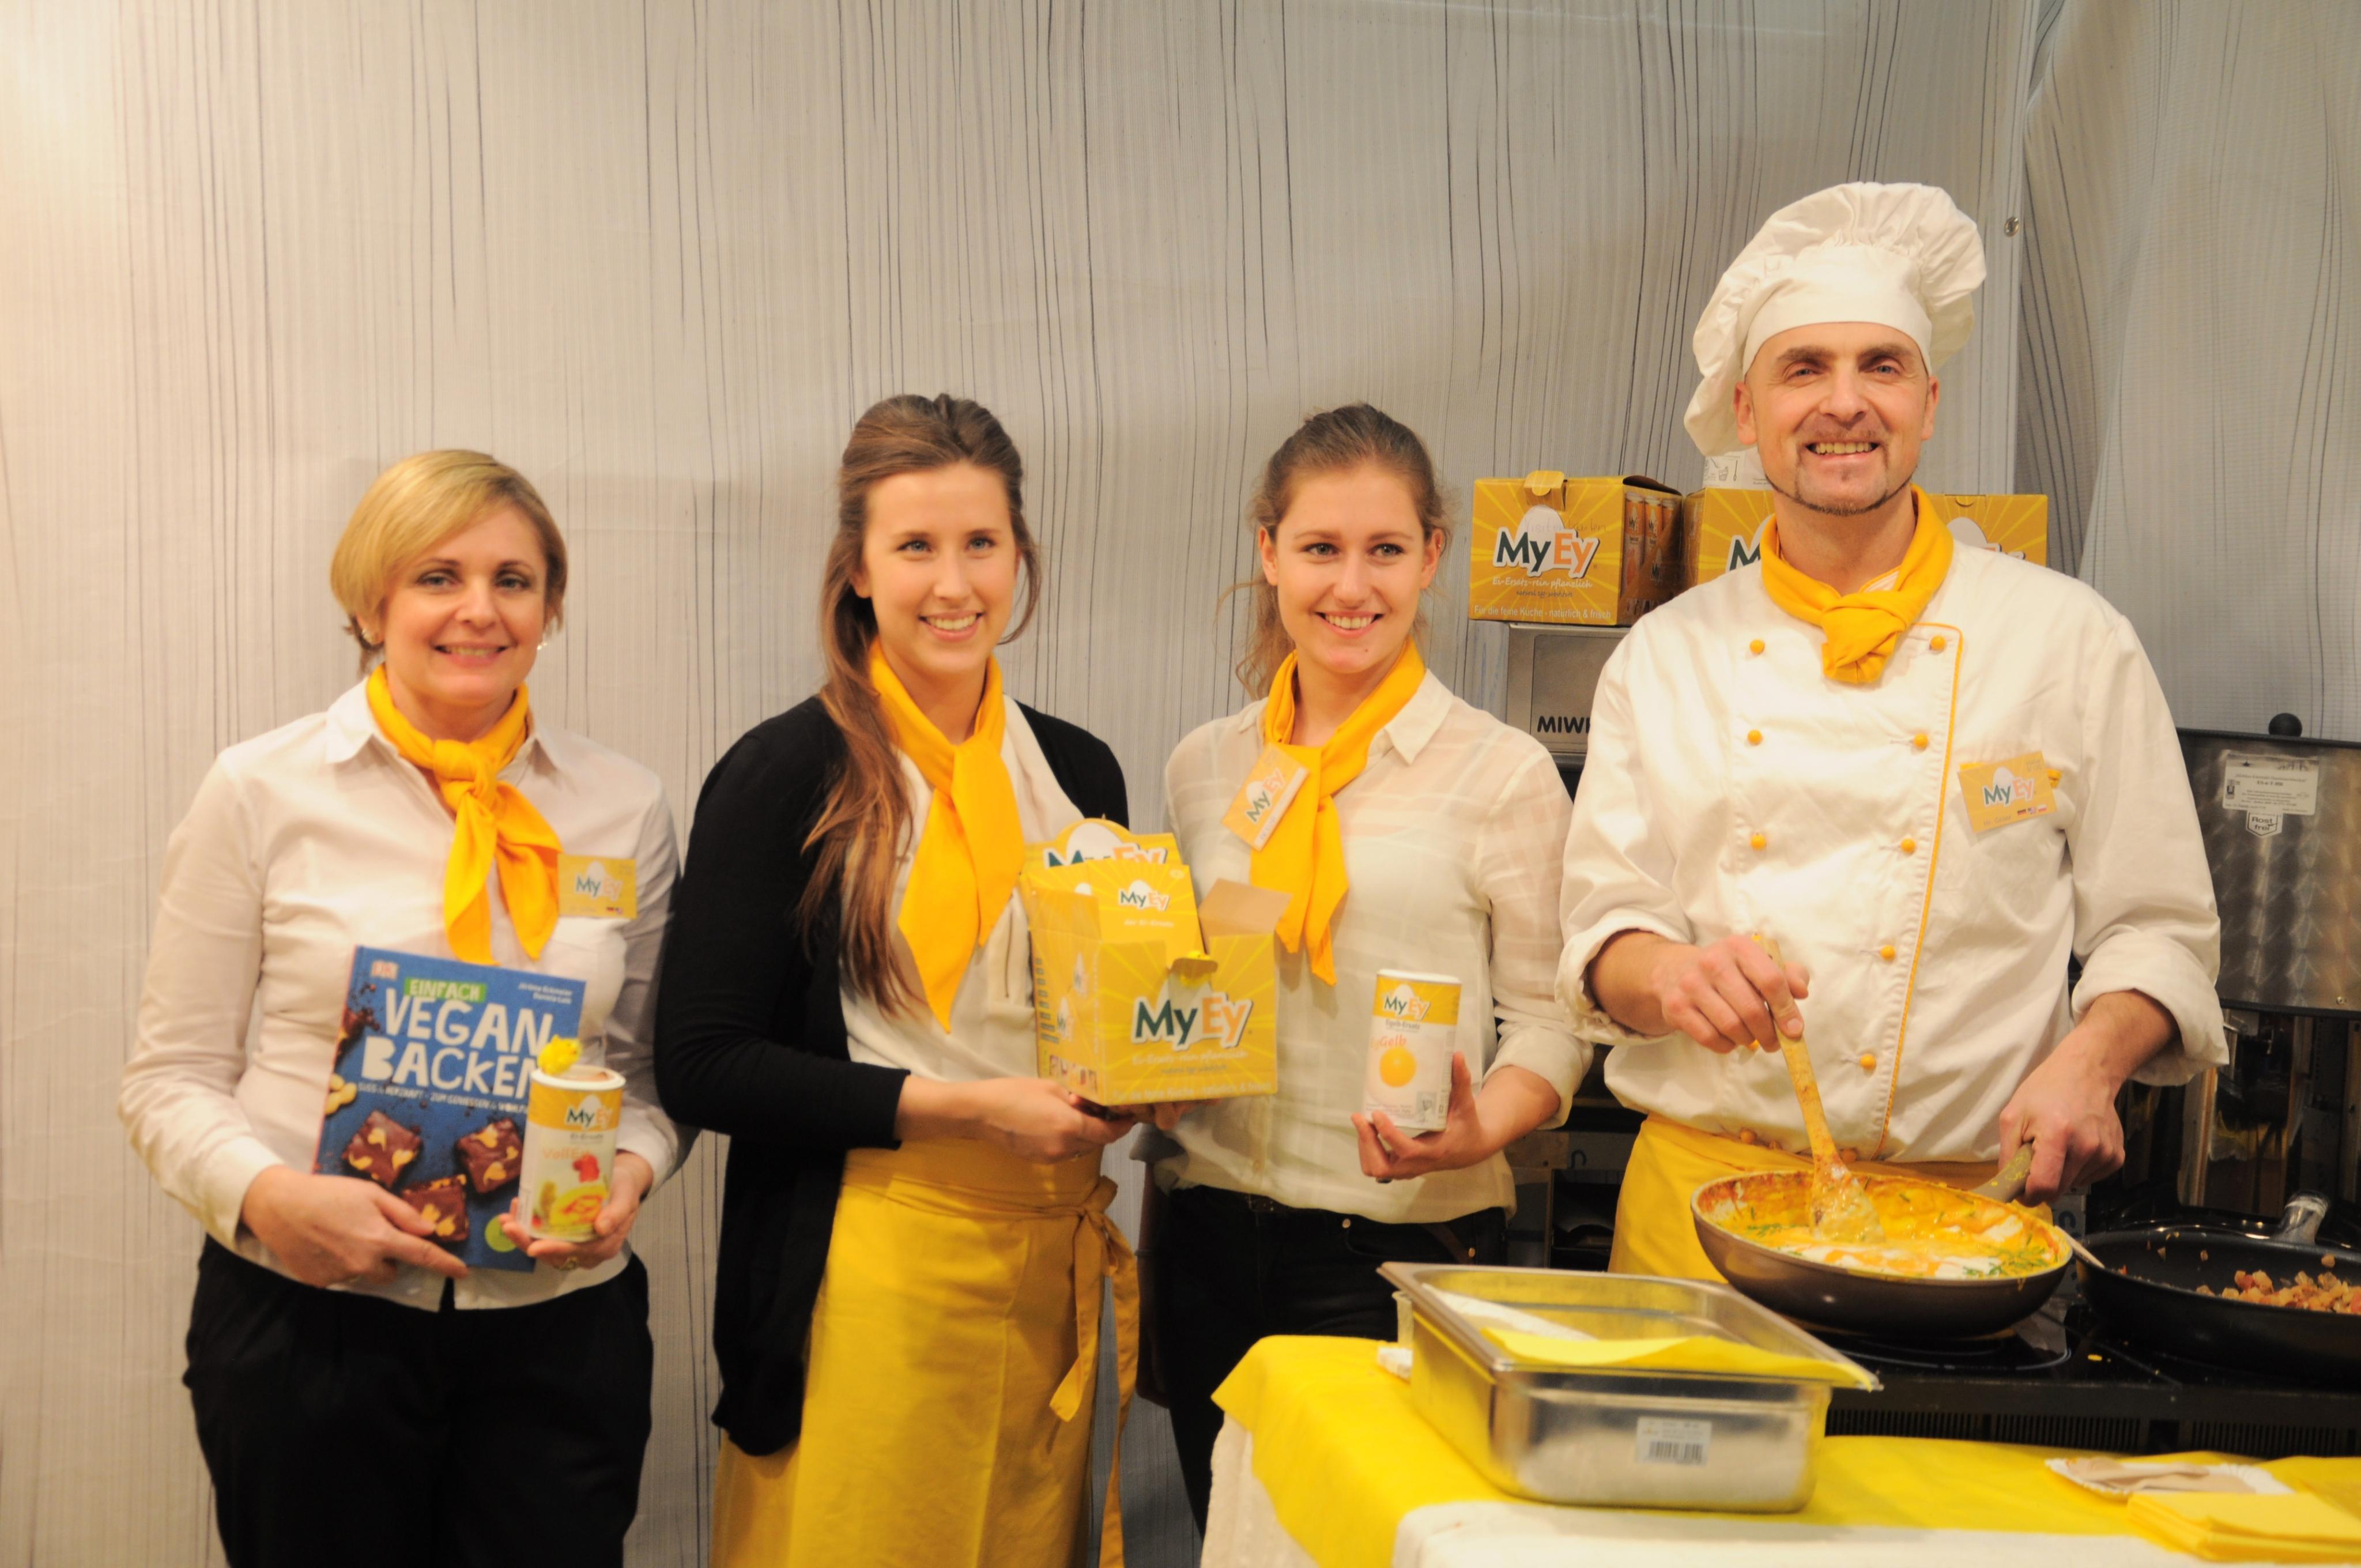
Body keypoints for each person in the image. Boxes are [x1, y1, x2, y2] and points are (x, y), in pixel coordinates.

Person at [1560, 182, 2226, 1280]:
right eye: (1804, 369)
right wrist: (1669, 975)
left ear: (1929, 401)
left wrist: (2093, 1062)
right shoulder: (1665, 655)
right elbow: (1604, 929)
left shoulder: (2067, 640)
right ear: (1746, 412)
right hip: (1700, 1224)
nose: (1845, 403)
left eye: (1881, 366)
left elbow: (2158, 927)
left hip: (1967, 1223)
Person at [118, 451, 686, 1567]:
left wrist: (628, 1176)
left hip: (557, 1336)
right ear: (371, 603)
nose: (479, 610)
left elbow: (643, 1075)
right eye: (438, 576)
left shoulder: (624, 805)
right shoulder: (261, 789)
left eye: (513, 580)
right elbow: (168, 1077)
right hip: (308, 1329)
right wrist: (269, 1199)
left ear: (550, 608)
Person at [654, 394, 1136, 1567]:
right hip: (856, 1275)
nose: (953, 583)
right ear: (859, 569)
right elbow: (704, 1061)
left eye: (981, 543)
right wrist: (965, 1109)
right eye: (915, 546)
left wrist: (1145, 1080)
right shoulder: (786, 773)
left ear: (1020, 555)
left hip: (1042, 1266)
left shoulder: (1078, 772)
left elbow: (1097, 1010)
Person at [1145, 404, 1582, 1523]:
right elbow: (1191, 984)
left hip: (1398, 1249)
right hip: (1209, 1232)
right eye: (1319, 548)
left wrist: (1480, 1128)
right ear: (1268, 553)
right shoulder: (1205, 767)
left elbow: (1553, 1020)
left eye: (1384, 549)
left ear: (1431, 556)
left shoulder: (1500, 774)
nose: (1352, 586)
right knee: (1226, 1536)